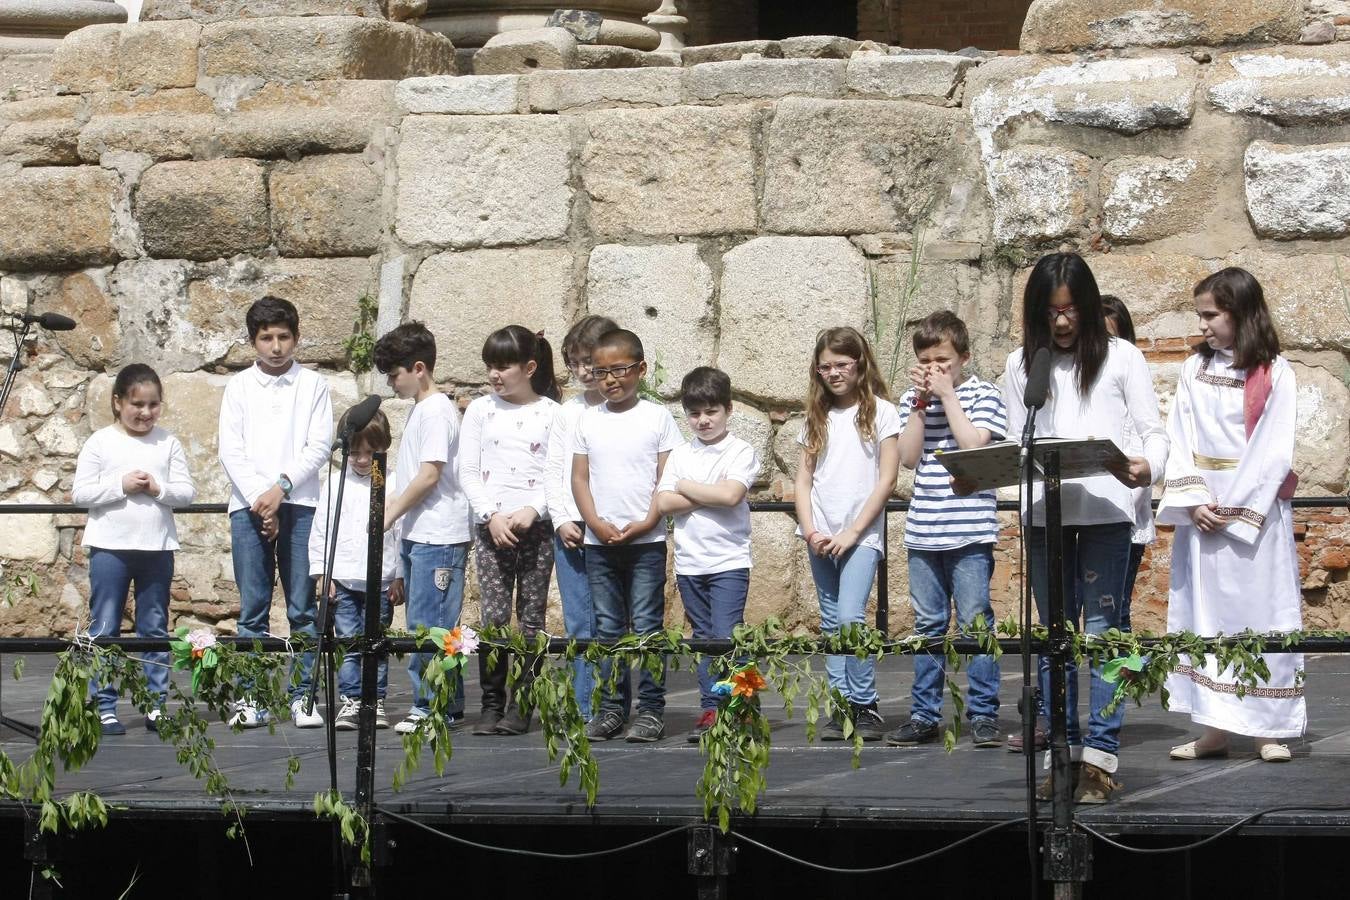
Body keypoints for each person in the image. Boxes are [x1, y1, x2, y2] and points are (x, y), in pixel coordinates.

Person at [1002, 252, 1167, 803]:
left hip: (1105, 515)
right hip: (1046, 517)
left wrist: (1148, 466)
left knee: (1103, 637)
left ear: (1090, 308)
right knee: (1054, 643)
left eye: (1072, 309)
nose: (1063, 322)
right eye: (1051, 312)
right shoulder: (1022, 365)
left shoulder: (1122, 357)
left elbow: (1152, 432)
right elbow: (1015, 441)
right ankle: (1062, 759)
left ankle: (1099, 759)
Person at [1158, 267, 1305, 763]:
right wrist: (1195, 499)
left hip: (1256, 514)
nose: (1203, 325)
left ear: (1239, 313)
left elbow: (1273, 449)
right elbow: (1181, 437)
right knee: (1207, 617)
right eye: (1201, 315)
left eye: (1211, 315)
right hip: (1204, 508)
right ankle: (1214, 727)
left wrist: (1238, 508)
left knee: (1260, 614)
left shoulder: (1276, 372)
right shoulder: (1192, 370)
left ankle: (1267, 728)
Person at [888, 311, 1006, 748]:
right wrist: (921, 403)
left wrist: (948, 397)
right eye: (926, 361)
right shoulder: (911, 399)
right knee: (928, 625)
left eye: (944, 361)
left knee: (975, 624)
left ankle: (984, 713)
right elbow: (908, 457)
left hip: (970, 529)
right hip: (924, 530)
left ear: (964, 358)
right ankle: (923, 714)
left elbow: (974, 445)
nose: (935, 370)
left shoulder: (983, 394)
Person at [218, 296, 332, 729]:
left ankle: (304, 697)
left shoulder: (313, 385)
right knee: (253, 609)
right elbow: (231, 448)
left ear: (296, 337)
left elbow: (318, 445)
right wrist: (259, 498)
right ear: (254, 341)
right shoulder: (239, 387)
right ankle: (252, 696)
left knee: (302, 608)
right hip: (248, 506)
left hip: (300, 504)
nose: (276, 346)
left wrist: (281, 490)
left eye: (284, 336)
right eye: (267, 337)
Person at [572, 328, 682, 743]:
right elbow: (579, 479)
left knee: (649, 625)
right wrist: (595, 523)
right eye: (601, 371)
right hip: (600, 543)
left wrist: (648, 521)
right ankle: (612, 708)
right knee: (608, 628)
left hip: (646, 542)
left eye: (619, 370)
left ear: (640, 369)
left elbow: (666, 477)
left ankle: (651, 709)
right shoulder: (588, 420)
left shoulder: (656, 417)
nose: (610, 380)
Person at [74, 364, 195, 735]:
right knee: (106, 624)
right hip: (110, 547)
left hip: (156, 549)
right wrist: (120, 484)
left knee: (154, 625)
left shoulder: (168, 442)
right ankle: (104, 704)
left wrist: (158, 488)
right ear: (117, 402)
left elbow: (186, 493)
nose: (145, 413)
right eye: (137, 404)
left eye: (153, 405)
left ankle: (155, 704)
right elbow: (80, 493)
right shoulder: (100, 442)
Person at [794, 326, 901, 742]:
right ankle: (840, 705)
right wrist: (810, 529)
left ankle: (864, 702)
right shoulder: (816, 418)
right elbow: (804, 480)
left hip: (860, 534)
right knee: (830, 621)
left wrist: (854, 531)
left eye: (842, 364)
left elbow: (886, 479)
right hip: (821, 534)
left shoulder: (881, 412)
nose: (834, 373)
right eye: (826, 367)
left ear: (859, 363)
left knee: (849, 617)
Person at [459, 326, 561, 736]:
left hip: (536, 529)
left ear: (530, 367)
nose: (495, 375)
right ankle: (491, 704)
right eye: (490, 367)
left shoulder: (552, 413)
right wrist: (491, 515)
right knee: (495, 617)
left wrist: (534, 510)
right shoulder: (481, 411)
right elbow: (468, 470)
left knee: (531, 618)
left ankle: (524, 703)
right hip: (492, 528)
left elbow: (558, 473)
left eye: (504, 367)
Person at [374, 322, 472, 734]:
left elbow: (430, 474)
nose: (392, 384)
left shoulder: (436, 411)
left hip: (439, 535)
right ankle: (442, 703)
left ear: (418, 367)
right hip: (421, 533)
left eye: (395, 375)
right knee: (423, 622)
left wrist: (390, 513)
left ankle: (433, 706)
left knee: (429, 626)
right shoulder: (422, 410)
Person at [655, 367, 761, 743]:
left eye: (711, 412)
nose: (703, 420)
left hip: (729, 562)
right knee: (703, 639)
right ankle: (712, 708)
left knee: (727, 637)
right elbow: (664, 501)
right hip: (690, 564)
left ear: (728, 410)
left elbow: (731, 495)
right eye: (695, 413)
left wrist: (685, 487)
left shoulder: (740, 451)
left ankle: (741, 707)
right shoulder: (681, 454)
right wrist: (704, 492)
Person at [545, 315, 623, 721]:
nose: (582, 371)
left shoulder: (625, 410)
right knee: (579, 620)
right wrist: (561, 518)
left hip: (613, 531)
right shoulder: (568, 412)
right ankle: (585, 701)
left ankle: (616, 701)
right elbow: (555, 469)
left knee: (616, 620)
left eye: (589, 361)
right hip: (573, 529)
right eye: (574, 362)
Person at [307, 408, 399, 731]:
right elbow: (321, 529)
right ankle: (351, 700)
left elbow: (400, 529)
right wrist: (322, 573)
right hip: (343, 579)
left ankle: (375, 700)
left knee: (377, 643)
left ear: (383, 447)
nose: (362, 460)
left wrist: (398, 574)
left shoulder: (391, 481)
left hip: (380, 579)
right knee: (347, 642)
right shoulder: (334, 483)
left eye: (370, 452)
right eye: (356, 452)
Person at [1101, 295, 1153, 632]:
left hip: (1126, 515)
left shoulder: (1133, 382)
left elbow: (1144, 446)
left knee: (1117, 612)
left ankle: (1124, 684)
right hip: (1090, 515)